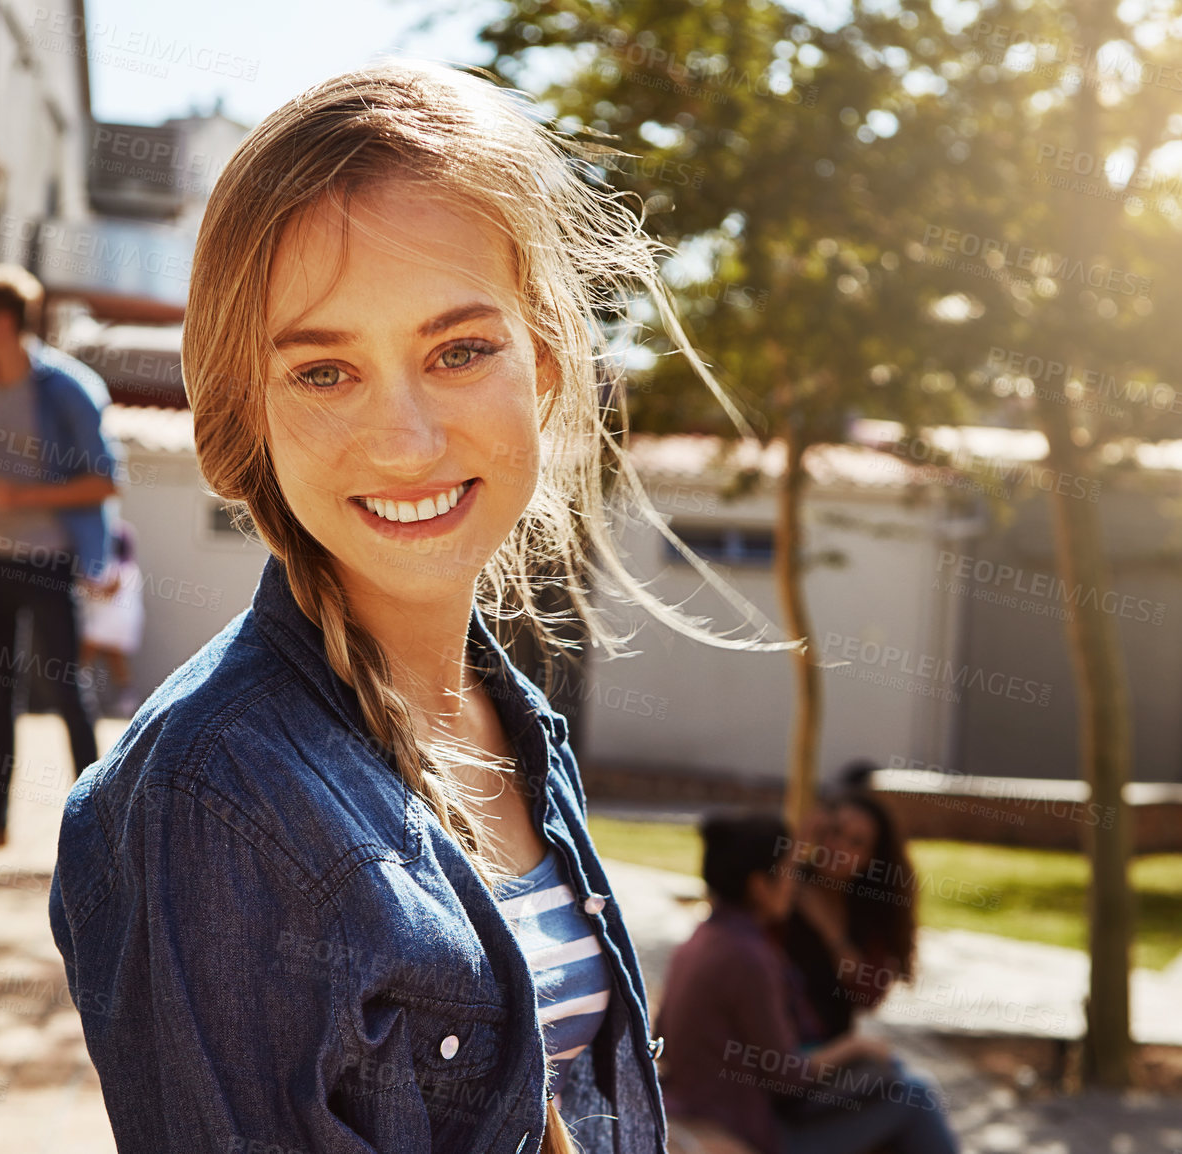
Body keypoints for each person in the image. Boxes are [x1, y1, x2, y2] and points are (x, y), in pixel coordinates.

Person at [49, 62, 795, 1154]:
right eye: (323, 371)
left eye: (457, 350)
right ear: (247, 405)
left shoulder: (515, 720)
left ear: (542, 365)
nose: (403, 438)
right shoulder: (211, 795)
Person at [0, 264, 119, 854]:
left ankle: (101, 824)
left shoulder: (69, 389)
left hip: (46, 560)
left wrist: (23, 496)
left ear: (1, 319)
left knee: (64, 688)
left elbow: (103, 483)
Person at [658, 812, 956, 1154]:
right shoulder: (748, 955)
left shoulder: (703, 937)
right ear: (759, 886)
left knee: (893, 1076)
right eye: (788, 872)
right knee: (914, 1095)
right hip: (751, 1127)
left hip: (706, 1104)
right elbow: (787, 1076)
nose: (794, 882)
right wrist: (853, 1047)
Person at [777, 792, 918, 1040]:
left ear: (871, 859)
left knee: (906, 1078)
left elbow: (869, 994)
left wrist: (832, 934)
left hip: (829, 1046)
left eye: (856, 842)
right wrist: (796, 848)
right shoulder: (787, 891)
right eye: (835, 831)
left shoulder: (870, 909)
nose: (838, 848)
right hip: (776, 1043)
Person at [78, 515, 145, 718]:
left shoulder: (117, 567)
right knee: (115, 660)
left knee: (85, 656)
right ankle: (125, 700)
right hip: (119, 623)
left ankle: (82, 697)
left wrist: (86, 588)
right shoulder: (130, 567)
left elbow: (109, 591)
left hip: (108, 622)